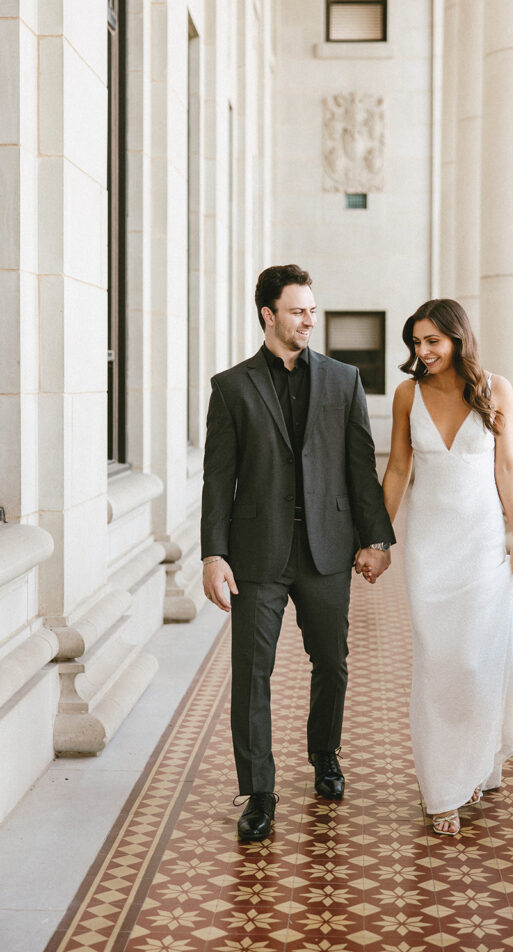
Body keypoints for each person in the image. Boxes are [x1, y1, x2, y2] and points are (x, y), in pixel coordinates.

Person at [201, 264, 394, 842]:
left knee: (331, 662)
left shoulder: (343, 380)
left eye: (313, 309)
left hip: (327, 550)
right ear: (268, 315)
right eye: (297, 310)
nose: (309, 319)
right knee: (252, 672)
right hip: (257, 553)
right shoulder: (231, 386)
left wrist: (376, 537)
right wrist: (214, 554)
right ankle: (259, 790)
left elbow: (361, 467)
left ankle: (325, 755)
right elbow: (218, 478)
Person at [380, 298, 513, 836]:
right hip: (429, 547)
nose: (422, 352)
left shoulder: (497, 389)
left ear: (458, 339)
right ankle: (442, 786)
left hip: (484, 544)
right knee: (439, 661)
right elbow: (398, 469)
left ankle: (477, 762)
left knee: (476, 660)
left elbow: (507, 466)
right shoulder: (407, 393)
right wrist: (379, 538)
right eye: (416, 343)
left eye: (432, 342)